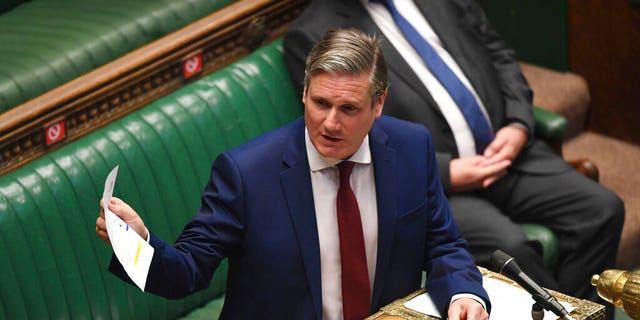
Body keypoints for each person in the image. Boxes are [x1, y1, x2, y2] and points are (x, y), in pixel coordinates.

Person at [96, 28, 490, 320]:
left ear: (379, 103)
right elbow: (185, 274)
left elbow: (443, 244)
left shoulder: (410, 148)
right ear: (304, 93)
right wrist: (135, 243)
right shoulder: (246, 174)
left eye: (348, 109)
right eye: (320, 103)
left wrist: (463, 295)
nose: (330, 123)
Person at [282, 0, 625, 315]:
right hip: (431, 183)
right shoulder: (315, 32)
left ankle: (579, 313)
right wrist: (447, 171)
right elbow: (342, 131)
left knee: (601, 210)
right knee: (510, 246)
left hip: (505, 152)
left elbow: (497, 52)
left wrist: (519, 122)